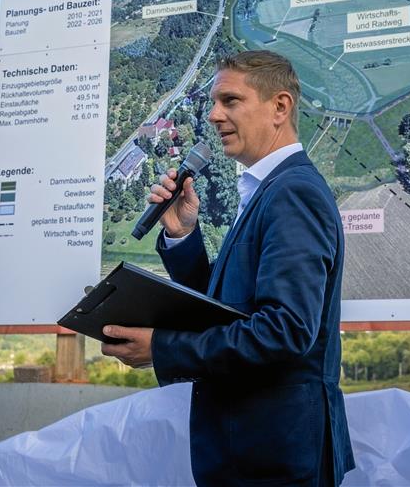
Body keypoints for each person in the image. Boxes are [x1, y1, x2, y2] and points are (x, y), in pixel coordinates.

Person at [103, 50, 355, 487]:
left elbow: (285, 331)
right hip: (251, 455)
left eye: (231, 101)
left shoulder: (292, 193)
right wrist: (183, 235)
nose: (215, 115)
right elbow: (226, 311)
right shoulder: (267, 191)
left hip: (274, 460)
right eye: (214, 103)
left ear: (280, 107)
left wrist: (163, 349)